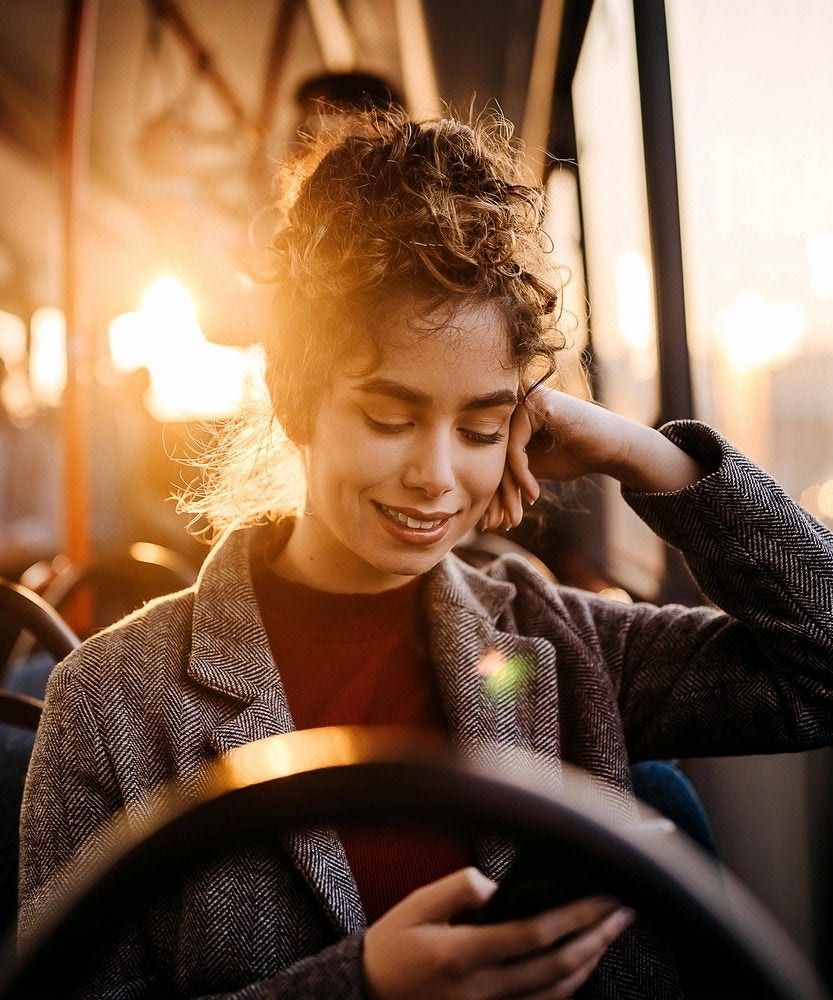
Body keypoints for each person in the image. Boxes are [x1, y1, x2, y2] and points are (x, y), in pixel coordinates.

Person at [18, 109, 833, 999]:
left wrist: (639, 451)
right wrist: (359, 988)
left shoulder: (548, 640)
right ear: (294, 398)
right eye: (389, 418)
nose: (436, 478)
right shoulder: (110, 703)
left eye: (482, 427)